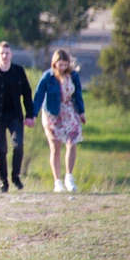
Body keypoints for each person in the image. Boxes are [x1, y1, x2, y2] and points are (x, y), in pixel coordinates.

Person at [0, 42, 36, 193]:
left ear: (11, 55)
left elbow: (27, 94)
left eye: (7, 53)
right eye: (2, 53)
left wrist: (30, 115)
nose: (4, 56)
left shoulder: (18, 72)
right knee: (2, 149)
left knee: (18, 145)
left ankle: (15, 176)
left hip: (15, 116)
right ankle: (3, 181)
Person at [33, 49, 86, 193]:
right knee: (55, 148)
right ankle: (57, 182)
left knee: (72, 142)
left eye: (65, 65)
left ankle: (69, 176)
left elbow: (78, 94)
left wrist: (81, 112)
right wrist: (32, 115)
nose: (62, 68)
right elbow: (38, 96)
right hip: (52, 114)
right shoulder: (48, 76)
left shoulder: (73, 75)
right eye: (59, 65)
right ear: (54, 63)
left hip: (69, 112)